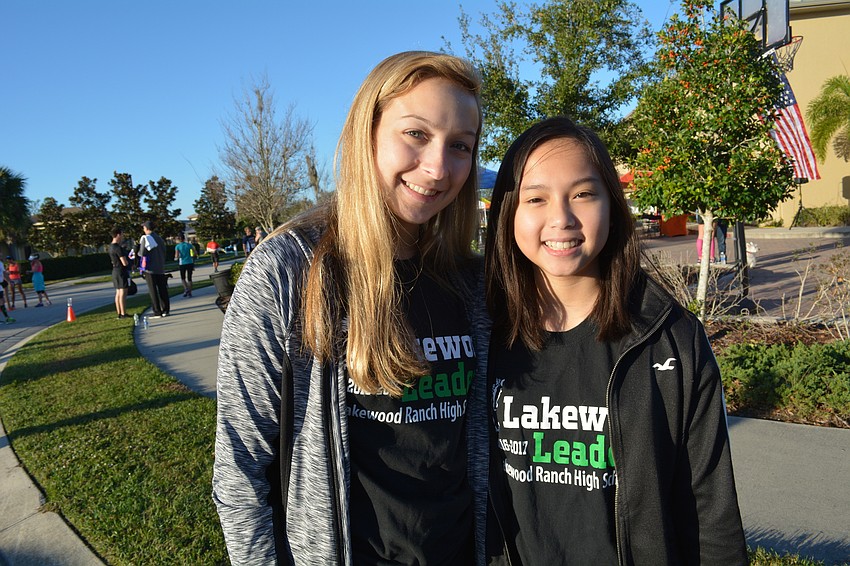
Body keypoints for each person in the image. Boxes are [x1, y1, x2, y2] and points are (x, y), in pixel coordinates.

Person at [212, 51, 489, 565]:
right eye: (416, 134)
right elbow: (240, 468)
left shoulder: (470, 281)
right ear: (369, 133)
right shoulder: (288, 271)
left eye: (460, 146)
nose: (437, 167)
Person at [484, 117, 747, 564]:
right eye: (536, 198)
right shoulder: (482, 336)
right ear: (509, 213)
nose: (562, 219)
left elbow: (711, 516)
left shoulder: (672, 339)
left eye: (583, 194)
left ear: (611, 203)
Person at [139, 220, 170, 317]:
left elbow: (142, 253)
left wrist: (137, 251)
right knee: (162, 289)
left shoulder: (146, 238)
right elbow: (164, 252)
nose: (143, 229)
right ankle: (166, 309)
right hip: (160, 267)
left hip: (150, 268)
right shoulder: (159, 238)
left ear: (147, 228)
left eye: (143, 227)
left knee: (153, 290)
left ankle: (157, 311)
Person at [109, 227, 131, 319]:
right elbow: (124, 262)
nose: (122, 236)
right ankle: (123, 313)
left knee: (118, 292)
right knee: (123, 292)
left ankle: (119, 312)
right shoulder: (118, 248)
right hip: (121, 271)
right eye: (121, 234)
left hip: (115, 271)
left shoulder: (111, 247)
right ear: (118, 235)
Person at [174, 233, 196, 297]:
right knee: (189, 278)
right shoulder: (189, 245)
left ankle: (186, 289)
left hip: (182, 263)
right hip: (189, 262)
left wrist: (176, 258)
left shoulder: (177, 246)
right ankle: (190, 292)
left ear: (178, 239)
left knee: (183, 278)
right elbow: (194, 253)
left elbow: (177, 255)